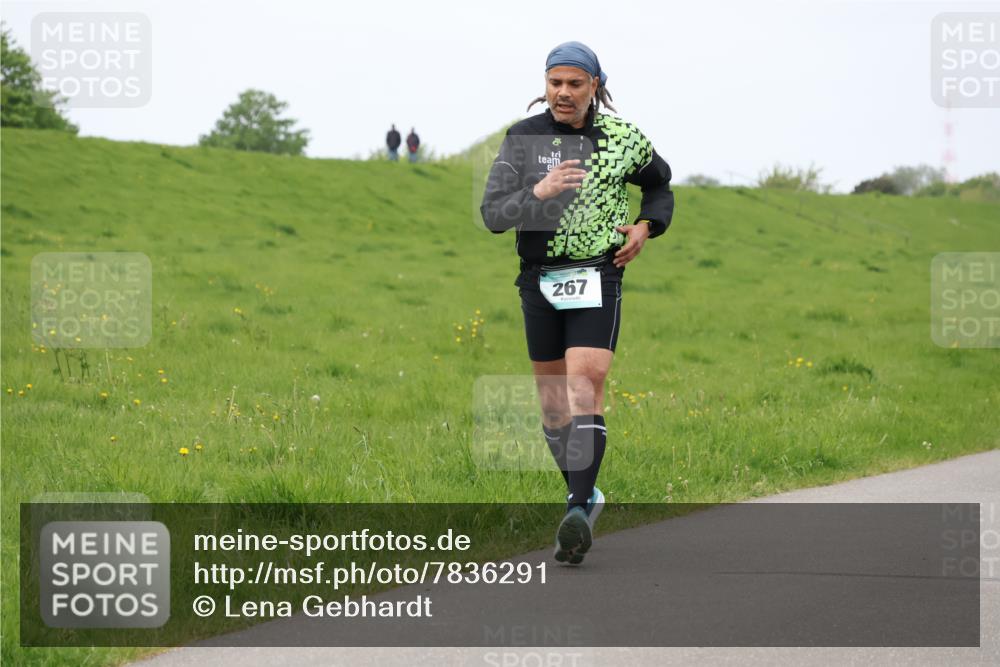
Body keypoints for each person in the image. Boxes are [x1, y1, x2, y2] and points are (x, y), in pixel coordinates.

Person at [480, 41, 674, 565]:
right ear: (545, 84)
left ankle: (575, 507)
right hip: (539, 279)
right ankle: (586, 500)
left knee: (584, 382)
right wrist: (538, 192)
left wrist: (646, 226)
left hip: (597, 273)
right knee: (552, 404)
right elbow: (493, 215)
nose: (563, 93)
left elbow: (660, 185)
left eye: (574, 83)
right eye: (554, 82)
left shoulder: (622, 137)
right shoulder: (523, 139)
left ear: (595, 86)